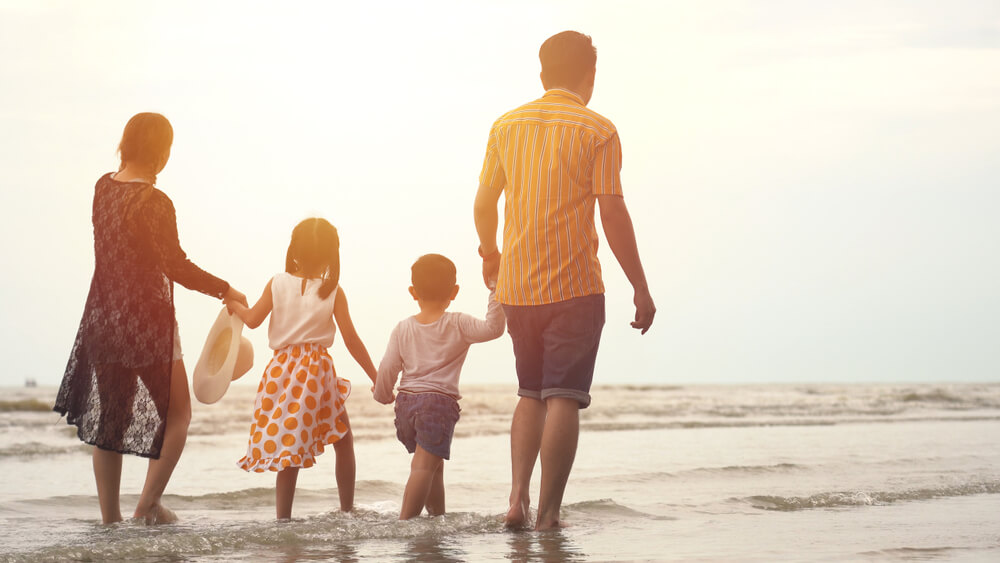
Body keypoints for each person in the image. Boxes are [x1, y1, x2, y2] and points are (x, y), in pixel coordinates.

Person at [473, 31, 656, 530]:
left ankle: (517, 500)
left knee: (529, 392)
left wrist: (491, 255)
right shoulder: (598, 130)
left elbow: (485, 203)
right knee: (564, 397)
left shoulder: (505, 126)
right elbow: (613, 212)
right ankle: (549, 515)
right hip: (575, 286)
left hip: (519, 287)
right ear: (590, 76)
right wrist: (639, 285)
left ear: (542, 74)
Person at [54, 112, 247, 525]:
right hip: (147, 322)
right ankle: (147, 507)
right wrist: (225, 289)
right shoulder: (155, 203)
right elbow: (175, 264)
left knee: (110, 423)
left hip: (104, 319)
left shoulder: (102, 188)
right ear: (162, 151)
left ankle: (111, 521)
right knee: (179, 414)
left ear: (126, 143)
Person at [225, 217, 378, 519]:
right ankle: (347, 509)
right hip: (316, 372)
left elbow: (253, 320)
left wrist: (234, 306)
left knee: (289, 448)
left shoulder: (277, 283)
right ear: (331, 257)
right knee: (343, 439)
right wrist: (376, 377)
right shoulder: (333, 291)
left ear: (294, 250)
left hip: (281, 371)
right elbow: (351, 339)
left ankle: (284, 519)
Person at [373, 254, 505, 520]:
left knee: (433, 466)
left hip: (406, 405)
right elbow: (494, 328)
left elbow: (388, 366)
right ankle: (404, 523)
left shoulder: (403, 328)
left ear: (413, 292)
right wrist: (495, 289)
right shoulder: (458, 323)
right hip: (437, 405)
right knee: (423, 467)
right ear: (454, 292)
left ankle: (437, 519)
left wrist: (381, 392)